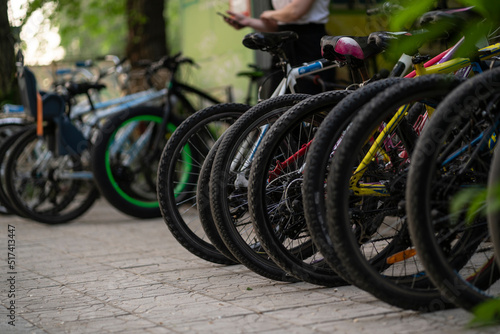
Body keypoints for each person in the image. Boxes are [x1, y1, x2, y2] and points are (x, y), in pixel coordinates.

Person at [223, 0, 334, 94]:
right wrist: (247, 21)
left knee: (312, 100)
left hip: (309, 42)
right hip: (284, 42)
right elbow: (279, 25)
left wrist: (270, 14)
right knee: (278, 101)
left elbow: (295, 11)